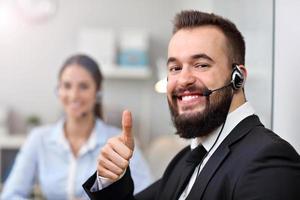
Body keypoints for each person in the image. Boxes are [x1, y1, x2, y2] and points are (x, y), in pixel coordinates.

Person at [82, 10, 300, 200]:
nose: (183, 79)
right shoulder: (186, 159)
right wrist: (110, 179)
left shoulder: (268, 160)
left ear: (238, 77)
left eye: (201, 65)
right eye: (175, 68)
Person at [1, 54, 152, 200]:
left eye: (83, 86)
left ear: (98, 92)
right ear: (58, 90)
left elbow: (148, 194)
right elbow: (10, 195)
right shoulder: (39, 138)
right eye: (67, 86)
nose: (74, 95)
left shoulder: (119, 143)